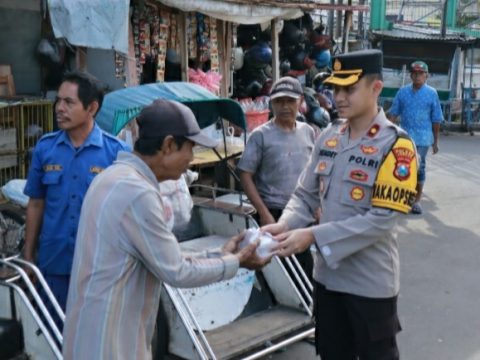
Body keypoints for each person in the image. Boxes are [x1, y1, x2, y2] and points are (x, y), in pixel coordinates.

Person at [62, 99, 270, 360]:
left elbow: (162, 257)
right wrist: (236, 261)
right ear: (169, 145)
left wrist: (221, 255)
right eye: (190, 148)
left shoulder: (112, 177)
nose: (192, 159)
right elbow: (177, 271)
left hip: (90, 334)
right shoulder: (137, 193)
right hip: (111, 343)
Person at [263, 49, 418, 360]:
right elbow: (305, 196)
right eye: (335, 88)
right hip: (328, 280)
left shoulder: (396, 146)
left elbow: (383, 220)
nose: (339, 97)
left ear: (376, 88)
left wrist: (313, 236)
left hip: (370, 284)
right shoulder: (329, 138)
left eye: (349, 88)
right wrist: (285, 224)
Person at [23, 71, 130, 314]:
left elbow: (125, 212)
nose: (59, 108)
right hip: (54, 262)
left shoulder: (117, 152)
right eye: (58, 101)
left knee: (93, 337)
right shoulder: (45, 148)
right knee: (52, 335)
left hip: (99, 265)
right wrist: (29, 254)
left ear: (91, 108)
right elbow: (36, 203)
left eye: (69, 102)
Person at [237, 76, 315, 226]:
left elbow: (314, 171)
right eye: (279, 101)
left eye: (290, 101)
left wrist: (317, 206)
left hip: (302, 208)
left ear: (301, 100)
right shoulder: (260, 135)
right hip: (273, 210)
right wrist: (263, 212)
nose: (285, 106)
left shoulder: (308, 131)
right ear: (271, 102)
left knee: (303, 249)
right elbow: (245, 174)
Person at [388, 60, 443, 214]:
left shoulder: (432, 93)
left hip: (423, 138)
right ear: (411, 75)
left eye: (421, 74)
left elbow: (436, 118)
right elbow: (393, 113)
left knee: (419, 167)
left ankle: (417, 200)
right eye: (415, 73)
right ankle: (405, 196)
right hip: (404, 136)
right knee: (402, 166)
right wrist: (384, 132)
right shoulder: (402, 92)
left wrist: (435, 141)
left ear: (426, 76)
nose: (417, 76)